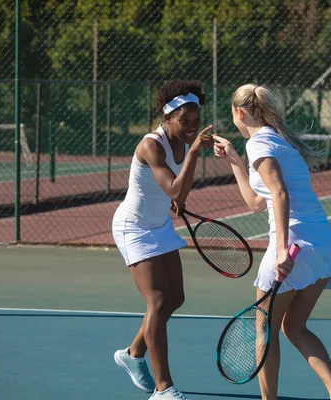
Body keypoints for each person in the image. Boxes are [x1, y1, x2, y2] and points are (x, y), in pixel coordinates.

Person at [212, 84, 331, 400]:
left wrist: (280, 251)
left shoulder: (261, 144)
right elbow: (255, 201)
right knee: (295, 327)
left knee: (264, 330)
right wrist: (234, 159)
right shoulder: (278, 142)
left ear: (239, 112)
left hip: (293, 244)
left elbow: (280, 193)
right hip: (320, 243)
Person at [112, 79, 213, 400]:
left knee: (175, 299)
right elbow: (174, 189)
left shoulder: (182, 142)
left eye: (195, 121)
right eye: (184, 121)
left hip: (159, 225)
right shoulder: (151, 145)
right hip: (134, 227)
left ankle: (132, 353)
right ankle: (163, 388)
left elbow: (176, 192)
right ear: (167, 117)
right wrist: (196, 150)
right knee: (157, 300)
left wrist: (177, 197)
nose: (191, 127)